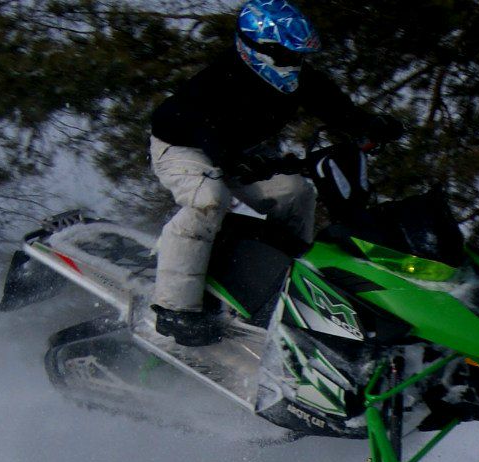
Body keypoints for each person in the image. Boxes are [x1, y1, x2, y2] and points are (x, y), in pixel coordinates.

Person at [148, 0, 401, 346]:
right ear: (257, 50)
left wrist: (369, 125)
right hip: (182, 147)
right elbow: (177, 120)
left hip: (243, 153)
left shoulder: (297, 79)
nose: (294, 65)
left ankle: (278, 287)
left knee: (296, 194)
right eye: (286, 56)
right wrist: (228, 156)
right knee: (209, 200)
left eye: (299, 57)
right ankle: (174, 309)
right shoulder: (221, 78)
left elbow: (336, 108)